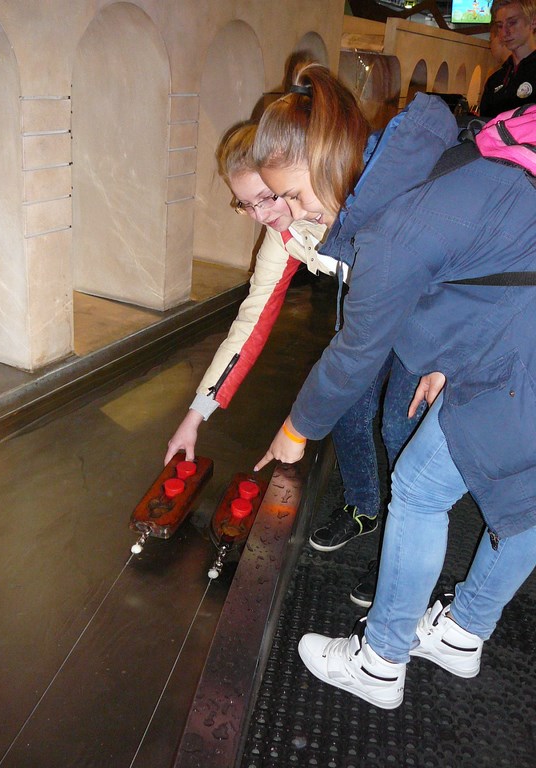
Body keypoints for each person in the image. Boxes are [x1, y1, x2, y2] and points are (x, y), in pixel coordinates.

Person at [252, 62, 536, 709]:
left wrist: (295, 429)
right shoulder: (416, 160)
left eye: (292, 193)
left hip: (522, 358)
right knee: (526, 493)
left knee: (419, 488)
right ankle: (463, 633)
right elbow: (488, 253)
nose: (294, 213)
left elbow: (355, 355)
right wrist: (450, 355)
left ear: (328, 157)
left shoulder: (392, 230)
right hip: (517, 330)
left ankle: (380, 662)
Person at [165, 122, 422, 567]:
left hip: (420, 312)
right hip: (365, 313)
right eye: (246, 204)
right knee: (346, 410)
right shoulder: (282, 234)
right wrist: (195, 415)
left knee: (401, 427)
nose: (261, 215)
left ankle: (406, 550)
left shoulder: (352, 206)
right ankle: (364, 508)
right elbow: (250, 324)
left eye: (267, 197)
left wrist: (439, 361)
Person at [479, 0, 536, 117]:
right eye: (500, 26)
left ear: (533, 21)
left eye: (512, 23)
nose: (505, 32)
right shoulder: (495, 80)